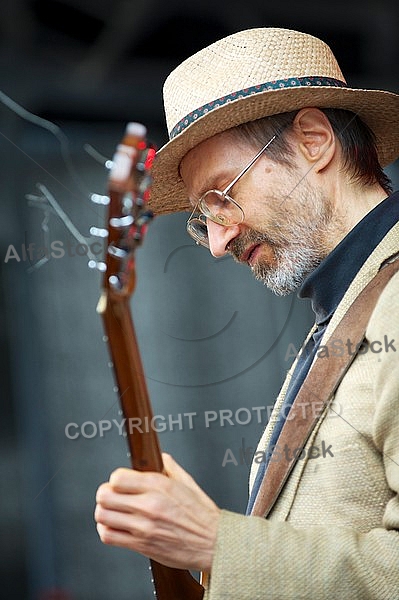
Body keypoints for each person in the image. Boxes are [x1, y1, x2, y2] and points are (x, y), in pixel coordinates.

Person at [94, 28, 399, 598]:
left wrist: (216, 541)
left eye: (220, 195)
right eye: (200, 216)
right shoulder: (345, 309)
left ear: (313, 140)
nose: (215, 241)